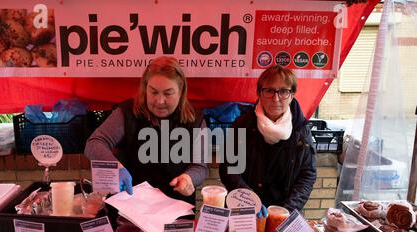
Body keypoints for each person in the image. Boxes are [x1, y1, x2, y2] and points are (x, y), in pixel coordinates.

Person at [85, 56, 208, 205]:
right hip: (131, 206)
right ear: (145, 88)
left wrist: (189, 178)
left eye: (168, 93)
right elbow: (94, 143)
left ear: (181, 92)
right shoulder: (127, 112)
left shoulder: (195, 119)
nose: (160, 100)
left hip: (176, 206)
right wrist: (116, 168)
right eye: (154, 92)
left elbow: (200, 166)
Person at [219, 65, 317, 215]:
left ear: (292, 95)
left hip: (285, 212)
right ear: (259, 93)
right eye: (269, 90)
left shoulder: (301, 129)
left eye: (283, 91)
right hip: (244, 210)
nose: (276, 98)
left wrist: (287, 209)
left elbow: (307, 174)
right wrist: (250, 201)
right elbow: (229, 169)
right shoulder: (242, 125)